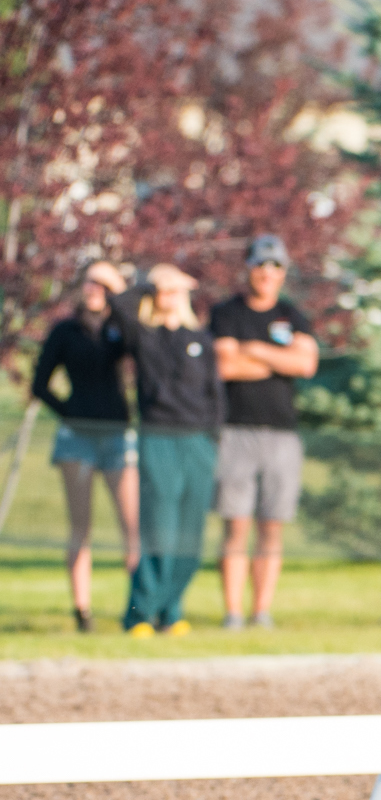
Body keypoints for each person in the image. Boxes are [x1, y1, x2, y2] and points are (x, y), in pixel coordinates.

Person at [84, 260, 223, 638]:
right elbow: (122, 306)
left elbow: (215, 395)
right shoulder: (143, 335)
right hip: (158, 437)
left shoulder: (201, 340)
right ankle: (140, 613)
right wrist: (151, 282)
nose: (171, 296)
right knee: (159, 527)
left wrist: (214, 440)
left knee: (190, 534)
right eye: (165, 290)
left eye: (177, 290)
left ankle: (171, 611)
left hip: (198, 441)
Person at [210, 234, 319, 629]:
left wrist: (252, 350)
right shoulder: (227, 314)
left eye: (275, 266)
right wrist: (280, 360)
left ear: (283, 272)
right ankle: (233, 611)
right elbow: (224, 366)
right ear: (249, 269)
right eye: (261, 265)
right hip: (236, 431)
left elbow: (306, 364)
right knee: (236, 523)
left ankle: (262, 611)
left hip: (281, 435)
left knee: (272, 526)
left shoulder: (293, 316)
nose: (267, 273)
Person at [30, 267, 141, 631]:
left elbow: (141, 347)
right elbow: (40, 383)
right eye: (90, 282)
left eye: (103, 285)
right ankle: (83, 611)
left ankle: (139, 606)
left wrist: (121, 297)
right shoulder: (65, 330)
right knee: (81, 526)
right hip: (77, 438)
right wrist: (71, 412)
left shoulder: (120, 330)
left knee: (132, 526)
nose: (95, 290)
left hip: (116, 435)